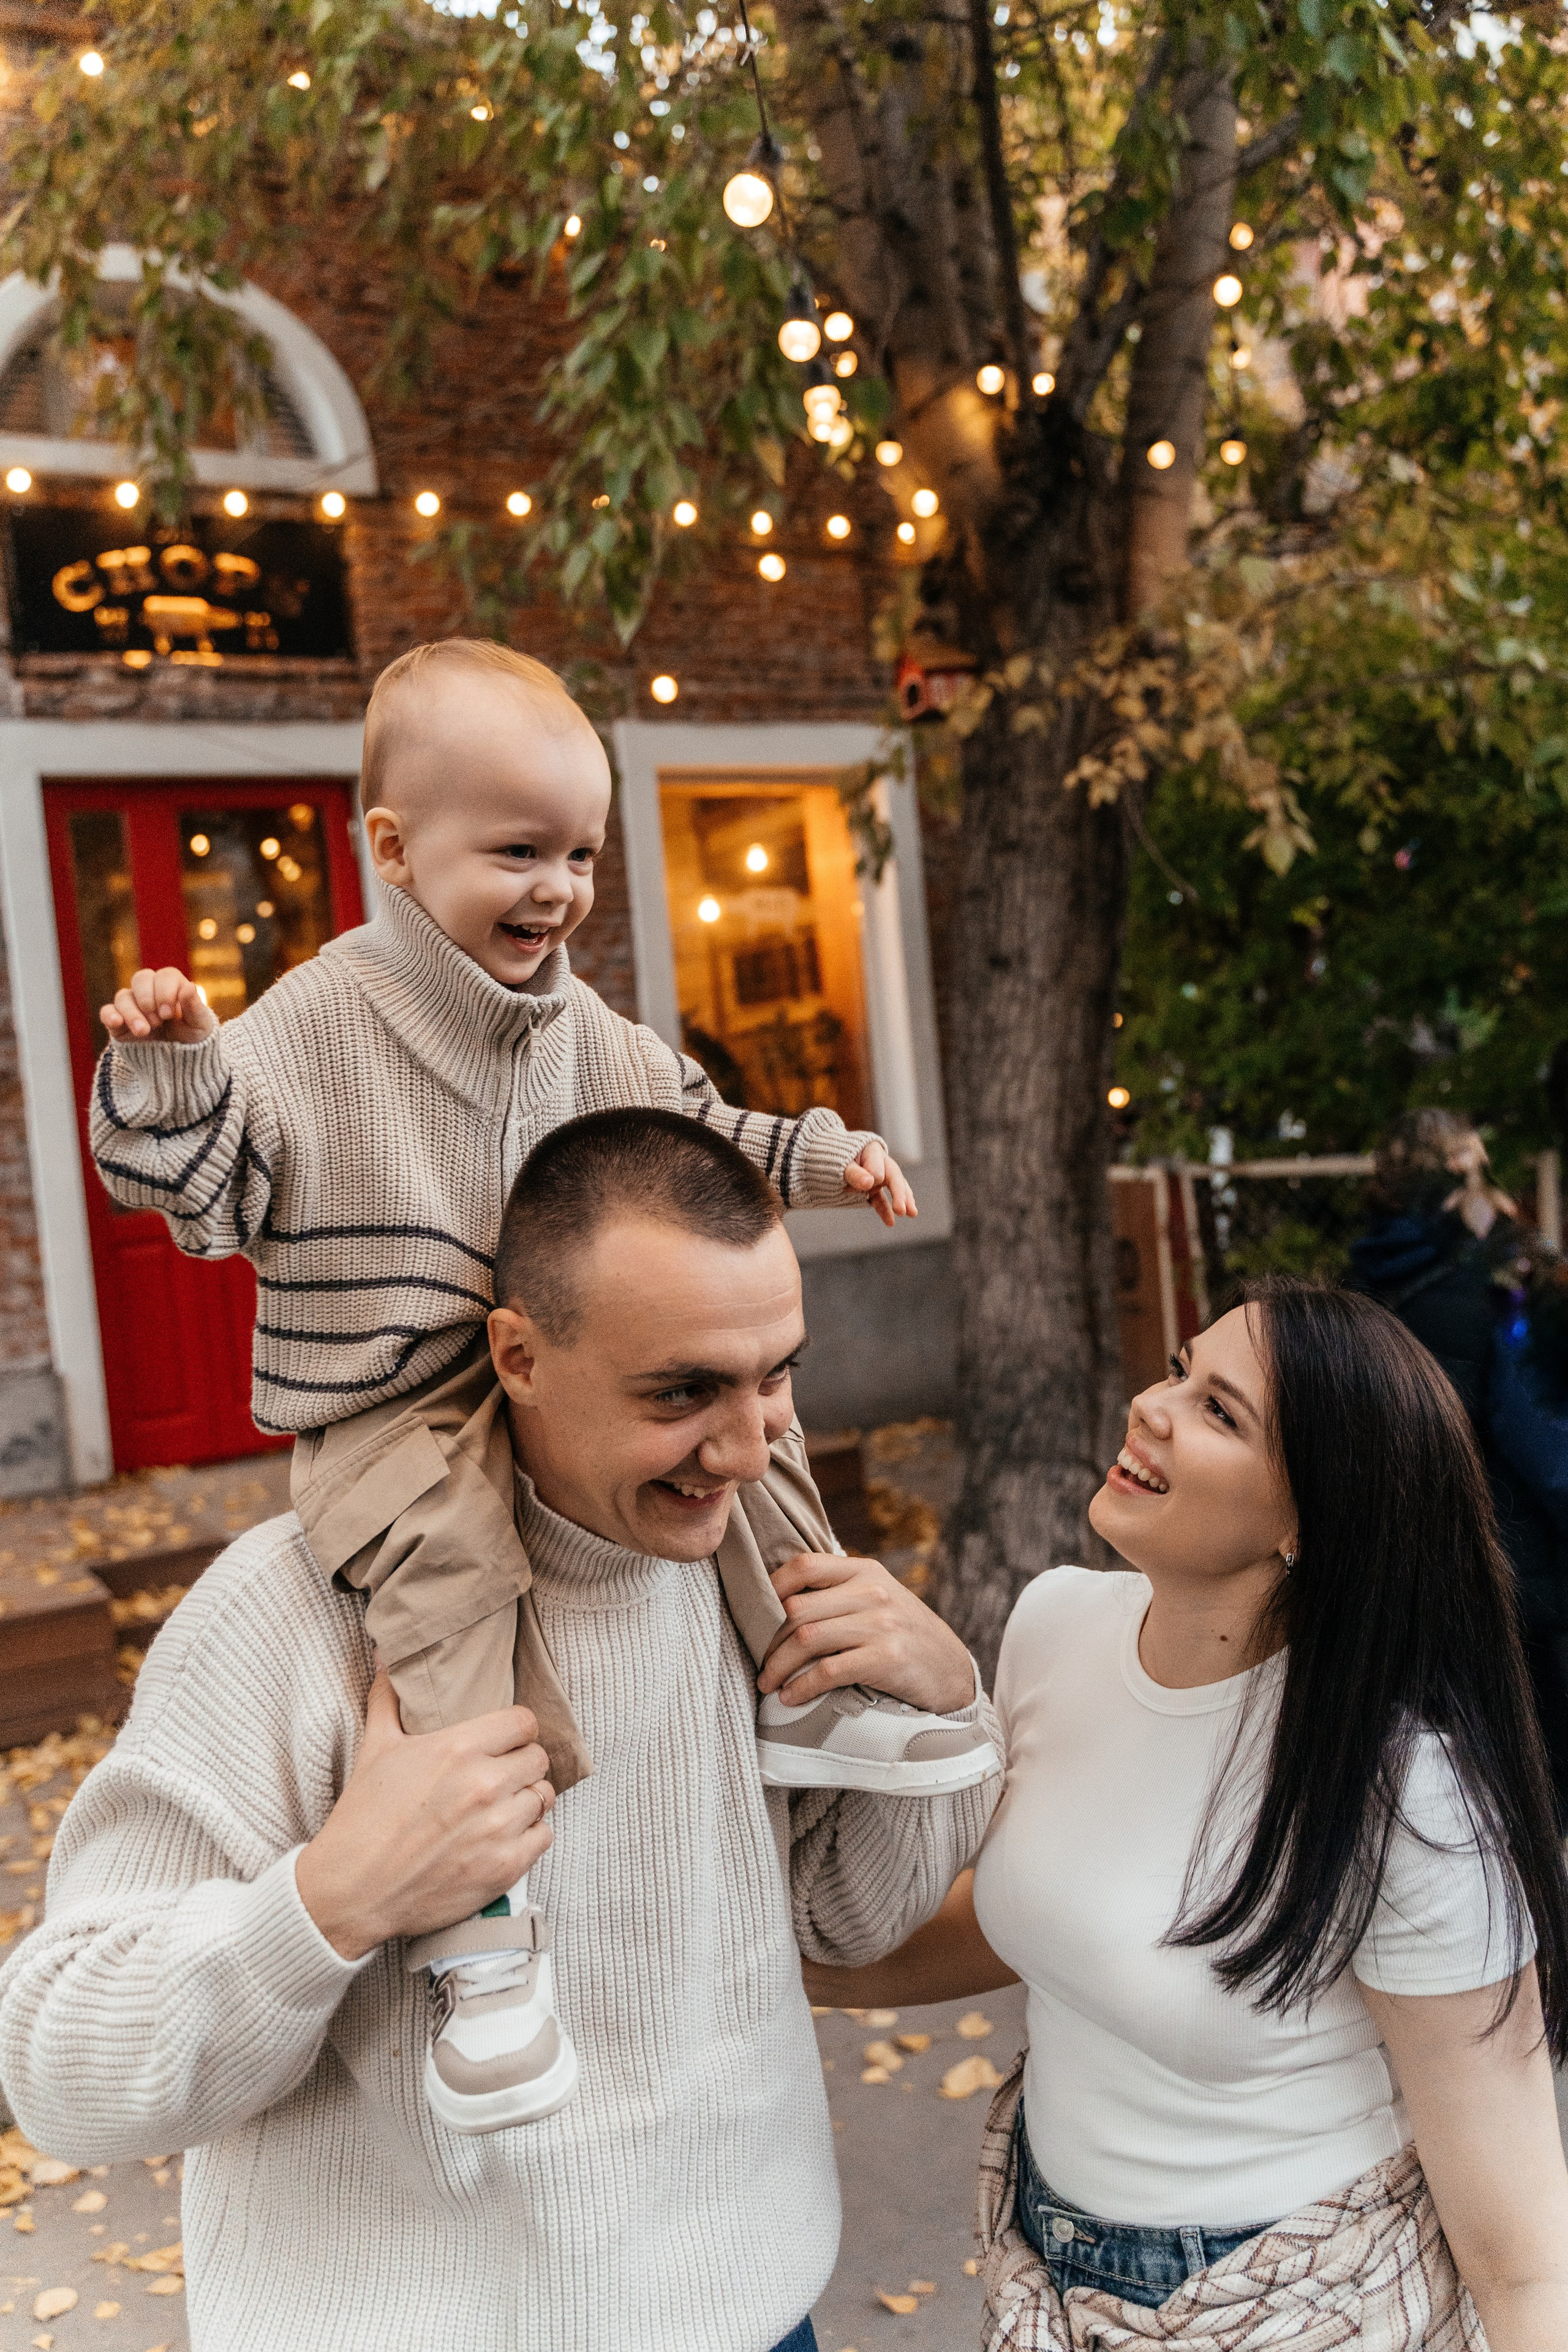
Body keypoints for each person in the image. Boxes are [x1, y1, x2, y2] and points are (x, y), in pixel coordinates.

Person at [84, 636, 983, 2132]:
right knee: (445, 1574)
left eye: (577, 851)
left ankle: (816, 1689)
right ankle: (482, 1926)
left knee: (757, 1443)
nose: (556, 888)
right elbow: (202, 1186)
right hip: (391, 1396)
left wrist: (832, 1155)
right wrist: (177, 1067)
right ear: (393, 848)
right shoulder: (318, 1017)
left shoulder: (591, 1032)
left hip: (564, 1373)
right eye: (516, 850)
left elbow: (700, 1137)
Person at [0, 1113, 1000, 2352]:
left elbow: (842, 1924)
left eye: (776, 1374)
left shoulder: (758, 1575)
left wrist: (945, 1707)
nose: (749, 1449)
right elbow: (56, 2066)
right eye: (682, 1391)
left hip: (754, 2318)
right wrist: (331, 1900)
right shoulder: (295, 1610)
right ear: (517, 1355)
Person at [809, 1281, 1568, 2351]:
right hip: (1042, 2274)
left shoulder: (1402, 1783)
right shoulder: (1055, 1624)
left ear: (1313, 1513)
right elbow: (1045, 1916)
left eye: (1221, 1411)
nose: (1151, 1408)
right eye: (1177, 1370)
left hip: (1303, 2299)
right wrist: (772, 1965)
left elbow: (1523, 2256)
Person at [1349, 1107, 1568, 1817]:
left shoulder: (1362, 1285)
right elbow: (1538, 1436)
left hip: (1402, 1566)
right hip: (1513, 1565)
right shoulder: (1502, 1281)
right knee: (1540, 1780)